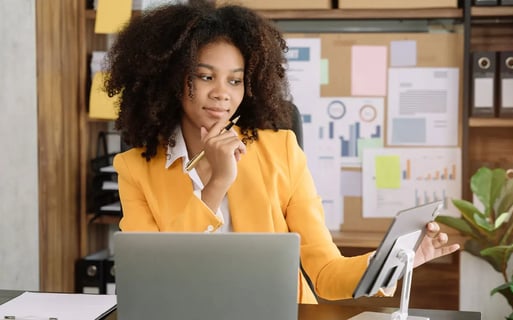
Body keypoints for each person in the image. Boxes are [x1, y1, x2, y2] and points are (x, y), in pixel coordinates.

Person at [105, 0, 460, 304]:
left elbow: (326, 273)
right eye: (204, 76)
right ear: (170, 78)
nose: (222, 93)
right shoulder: (135, 169)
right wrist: (217, 183)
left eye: (235, 80)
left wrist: (397, 261)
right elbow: (158, 283)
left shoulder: (281, 151)